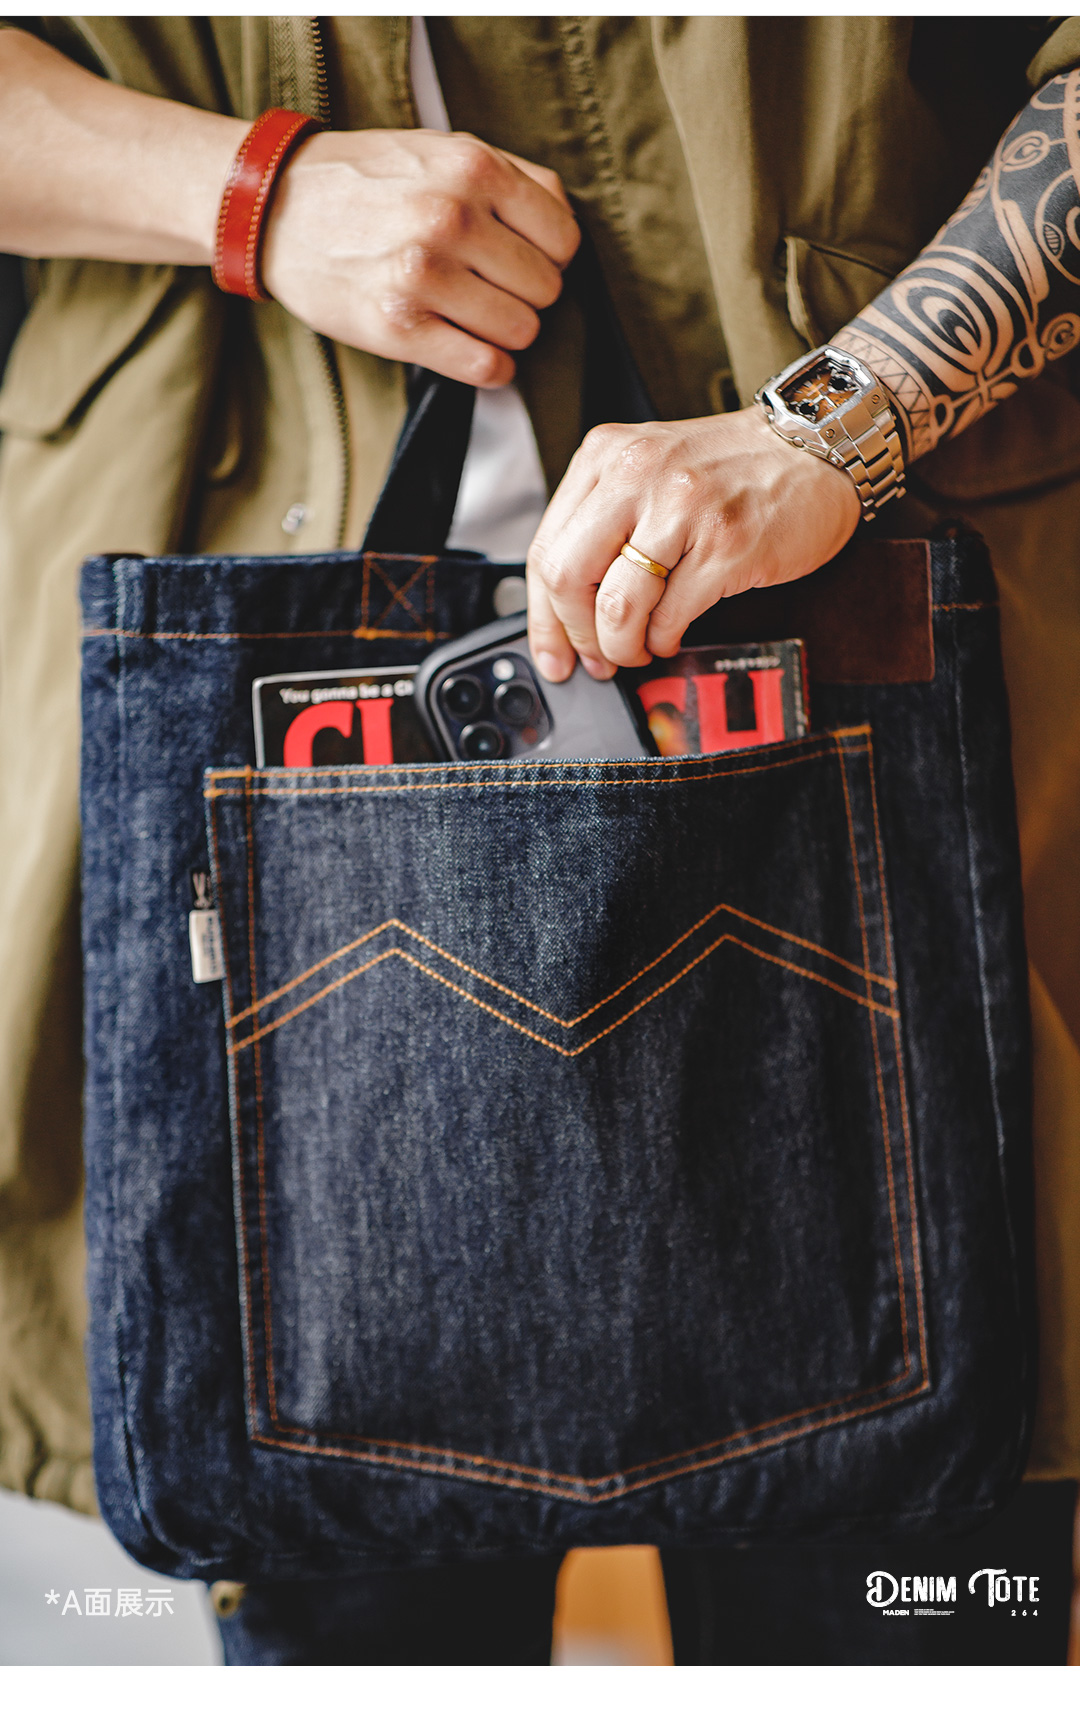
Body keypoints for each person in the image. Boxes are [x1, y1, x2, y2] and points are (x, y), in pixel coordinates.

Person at [0, 16, 1078, 1663]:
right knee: (354, 1615)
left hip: (876, 600)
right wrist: (250, 194)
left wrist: (839, 415)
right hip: (245, 608)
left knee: (907, 1584)